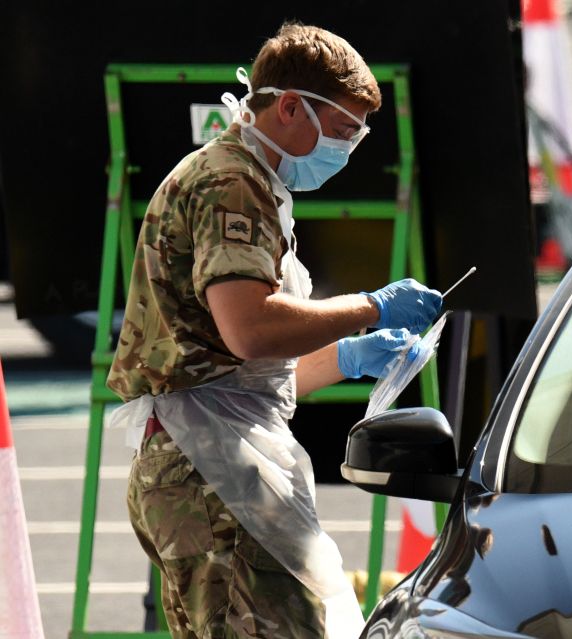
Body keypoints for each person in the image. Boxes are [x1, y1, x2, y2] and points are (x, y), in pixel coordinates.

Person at [108, 23, 441, 638]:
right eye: (342, 132)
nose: (346, 150)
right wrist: (372, 306)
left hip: (207, 462)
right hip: (211, 476)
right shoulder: (232, 184)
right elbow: (251, 331)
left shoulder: (249, 181)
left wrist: (346, 357)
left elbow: (241, 377)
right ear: (289, 107)